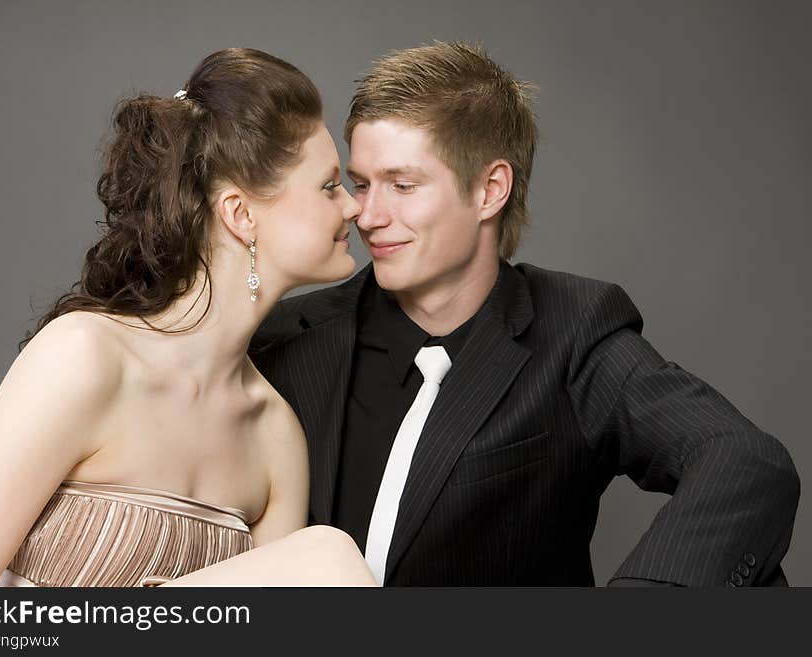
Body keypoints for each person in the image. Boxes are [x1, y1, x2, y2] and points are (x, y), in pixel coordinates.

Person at [249, 42, 801, 586]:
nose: (366, 216)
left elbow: (744, 459)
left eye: (402, 185)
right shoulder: (285, 338)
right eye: (361, 184)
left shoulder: (573, 331)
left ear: (490, 190)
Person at [0, 48, 376, 587]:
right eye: (330, 185)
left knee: (328, 566)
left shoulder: (274, 436)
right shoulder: (85, 356)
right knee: (325, 559)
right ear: (241, 214)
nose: (354, 207)